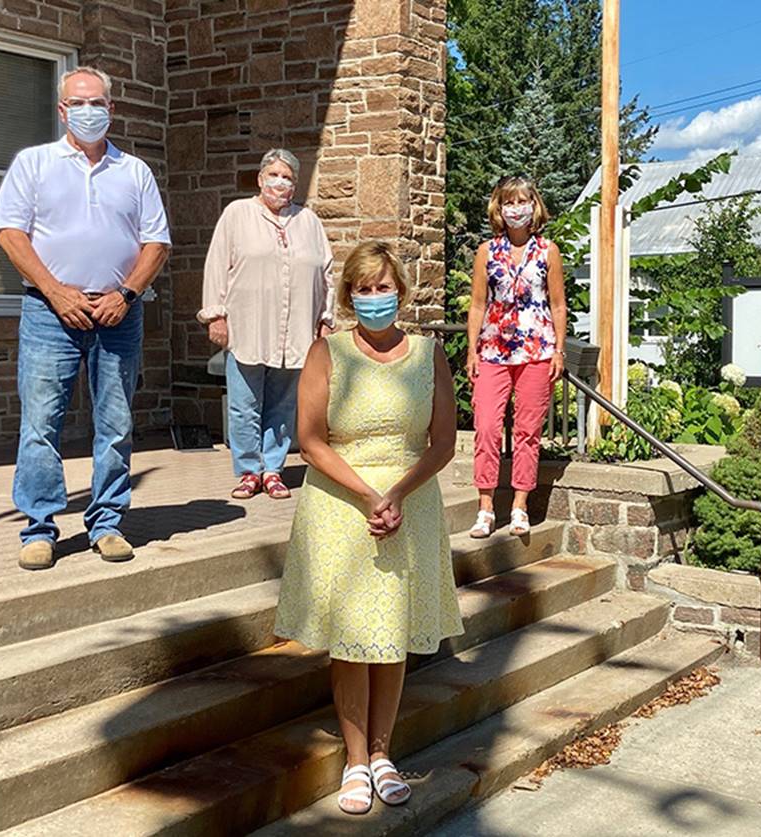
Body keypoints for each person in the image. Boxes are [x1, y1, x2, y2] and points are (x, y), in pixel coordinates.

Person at [274, 241, 464, 815]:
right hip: (341, 502)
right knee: (354, 638)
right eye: (364, 288)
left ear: (400, 291)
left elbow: (444, 441)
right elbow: (309, 439)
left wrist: (399, 492)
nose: (374, 297)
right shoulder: (327, 352)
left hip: (410, 502)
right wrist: (367, 494)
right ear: (348, 295)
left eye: (383, 287)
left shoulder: (429, 354)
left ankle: (384, 753)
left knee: (393, 633)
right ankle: (355, 759)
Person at [0, 66, 171, 571]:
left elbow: (157, 242)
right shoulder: (34, 164)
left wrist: (128, 293)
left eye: (98, 103)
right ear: (62, 109)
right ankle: (40, 528)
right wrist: (55, 291)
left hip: (119, 312)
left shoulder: (135, 172)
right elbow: (9, 233)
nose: (89, 111)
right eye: (78, 103)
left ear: (111, 109)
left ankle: (107, 522)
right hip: (50, 312)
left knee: (115, 423)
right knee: (41, 424)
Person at [198, 149, 335, 501]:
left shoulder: (309, 222)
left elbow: (327, 274)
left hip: (297, 330)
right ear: (260, 179)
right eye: (273, 175)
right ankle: (248, 471)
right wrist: (216, 314)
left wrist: (326, 318)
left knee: (283, 404)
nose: (280, 182)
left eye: (288, 177)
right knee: (244, 404)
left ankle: (273, 469)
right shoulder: (237, 214)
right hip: (247, 326)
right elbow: (216, 265)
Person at [465, 175, 567, 539]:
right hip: (493, 350)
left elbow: (557, 303)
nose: (516, 209)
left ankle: (520, 506)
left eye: (523, 201)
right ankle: (486, 507)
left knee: (527, 430)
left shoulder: (547, 251)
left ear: (533, 205)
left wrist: (559, 348)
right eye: (509, 202)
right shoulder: (486, 251)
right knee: (488, 427)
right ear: (499, 207)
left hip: (537, 351)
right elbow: (478, 304)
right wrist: (471, 350)